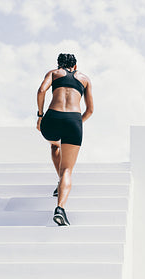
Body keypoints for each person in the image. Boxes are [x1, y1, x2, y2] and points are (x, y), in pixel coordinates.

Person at [36, 53, 93, 226]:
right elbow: (90, 110)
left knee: (55, 145)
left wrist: (40, 115)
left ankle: (59, 182)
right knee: (67, 169)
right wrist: (75, 123)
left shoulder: (54, 73)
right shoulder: (85, 79)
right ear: (75, 66)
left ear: (59, 65)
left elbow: (41, 91)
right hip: (73, 121)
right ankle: (60, 208)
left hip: (51, 120)